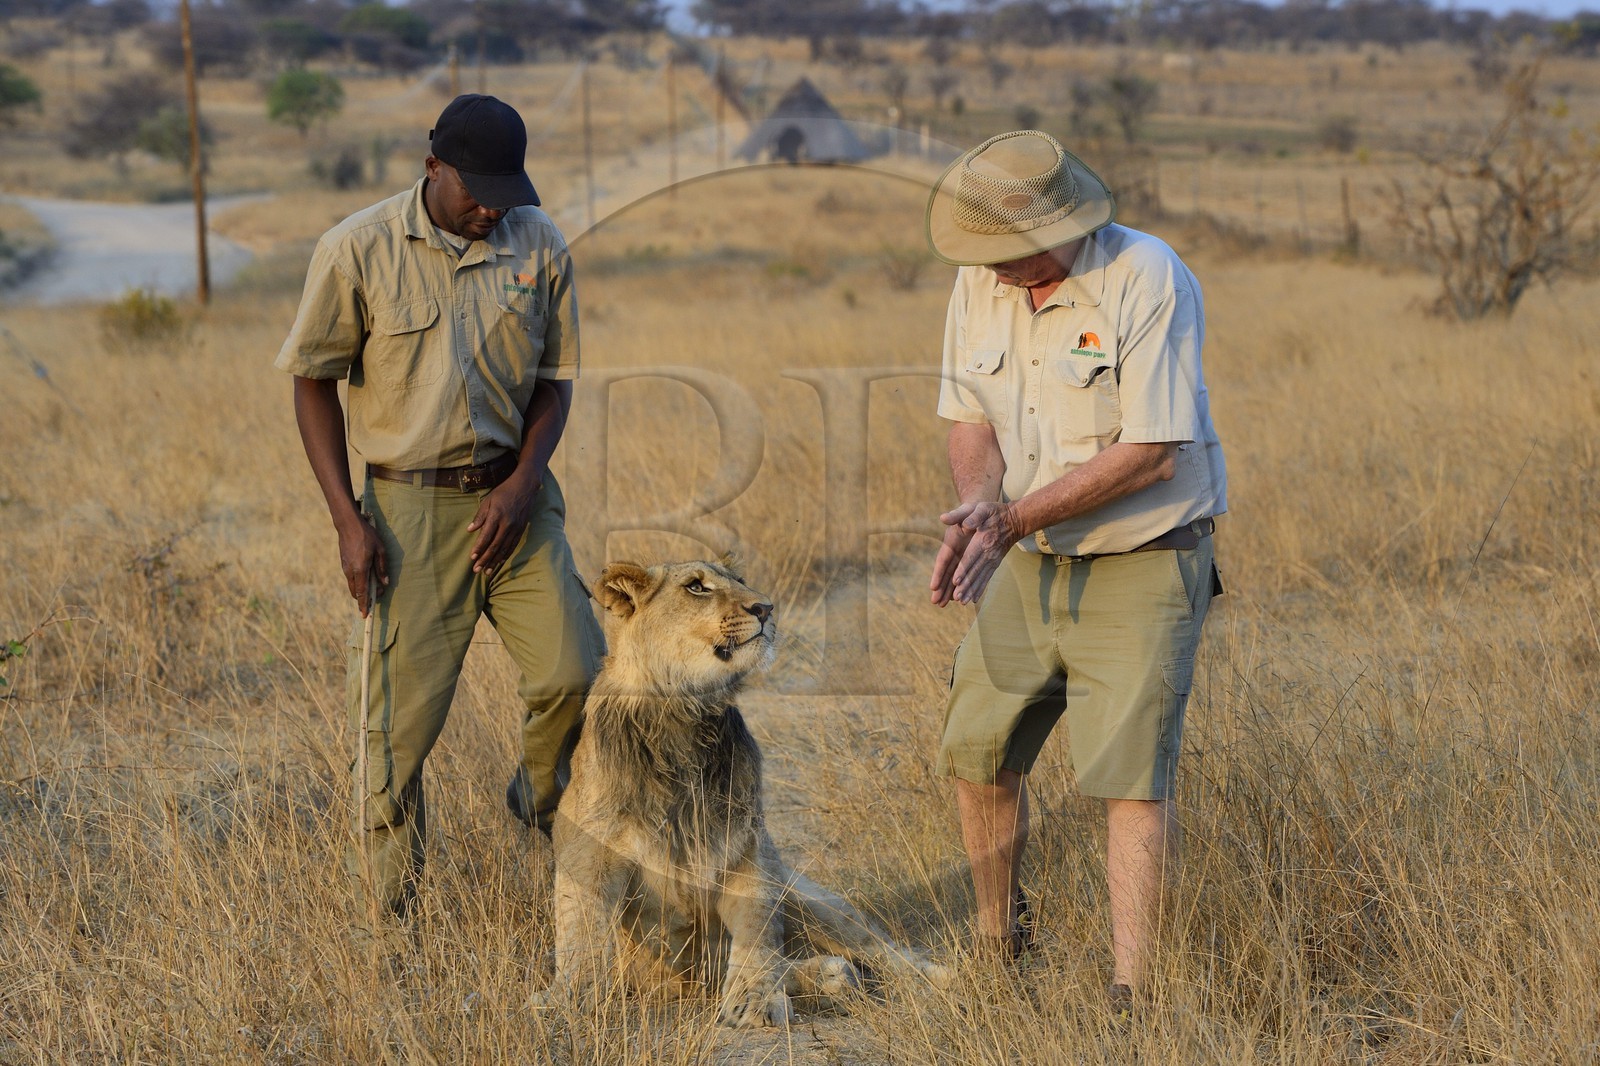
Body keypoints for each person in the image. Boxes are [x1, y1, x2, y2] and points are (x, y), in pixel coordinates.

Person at [276, 94, 604, 923]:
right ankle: (393, 925)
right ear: (433, 168)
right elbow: (311, 381)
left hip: (517, 503)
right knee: (394, 743)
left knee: (577, 673)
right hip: (406, 515)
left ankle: (537, 801)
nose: (491, 207)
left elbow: (554, 383)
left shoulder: (538, 244)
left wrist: (525, 484)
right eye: (476, 190)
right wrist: (349, 523)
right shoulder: (357, 249)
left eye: (506, 189)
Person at [924, 130, 1226, 1013]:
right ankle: (998, 946)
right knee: (975, 747)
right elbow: (968, 416)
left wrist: (1012, 517)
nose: (995, 269)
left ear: (1063, 224)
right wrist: (981, 503)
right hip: (1032, 551)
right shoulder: (980, 279)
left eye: (1009, 253)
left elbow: (1153, 450)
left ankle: (1132, 989)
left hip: (1142, 554)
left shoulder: (1146, 275)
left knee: (1127, 777)